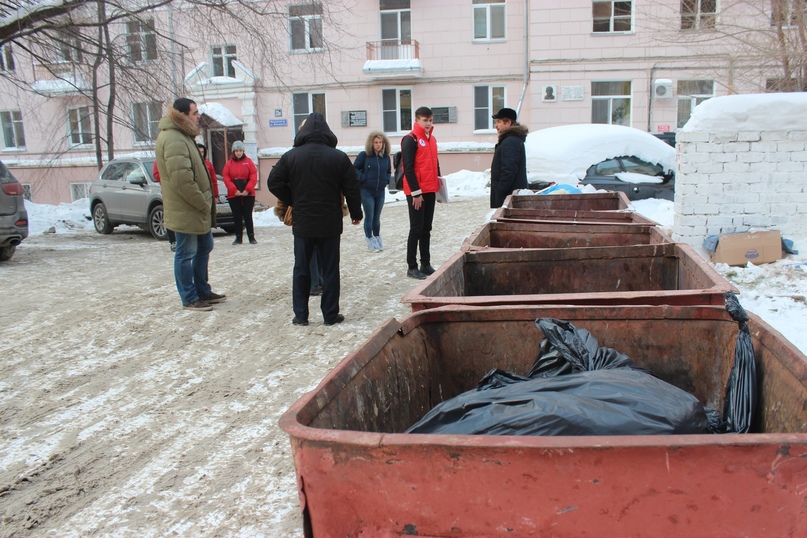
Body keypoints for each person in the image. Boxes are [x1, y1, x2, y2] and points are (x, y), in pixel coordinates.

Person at [267, 112, 363, 326]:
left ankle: (301, 315)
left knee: (301, 269)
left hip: (303, 222)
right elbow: (352, 188)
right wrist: (356, 214)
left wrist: (293, 199)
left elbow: (273, 182)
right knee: (330, 269)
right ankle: (330, 314)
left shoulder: (291, 156)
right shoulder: (338, 157)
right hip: (330, 222)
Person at [155, 97, 226, 311]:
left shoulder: (183, 136)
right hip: (186, 208)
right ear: (183, 115)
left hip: (194, 207)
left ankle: (203, 291)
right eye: (194, 113)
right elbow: (182, 180)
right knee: (185, 253)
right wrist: (202, 201)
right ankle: (189, 296)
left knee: (205, 246)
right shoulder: (174, 139)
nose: (198, 116)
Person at [401, 106, 441, 280]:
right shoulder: (410, 139)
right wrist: (416, 193)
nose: (428, 123)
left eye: (430, 120)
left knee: (427, 229)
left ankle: (425, 263)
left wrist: (439, 188)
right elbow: (407, 168)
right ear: (416, 121)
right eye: (425, 120)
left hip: (430, 190)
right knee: (416, 229)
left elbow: (435, 165)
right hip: (417, 192)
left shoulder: (432, 139)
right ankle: (412, 266)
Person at [353, 131, 392, 253]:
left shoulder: (385, 157)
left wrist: (387, 180)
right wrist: (363, 178)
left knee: (377, 217)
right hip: (367, 191)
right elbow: (354, 169)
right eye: (376, 142)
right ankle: (370, 239)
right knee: (369, 216)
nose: (378, 145)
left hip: (380, 191)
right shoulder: (364, 155)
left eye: (380, 142)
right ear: (371, 143)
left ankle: (377, 238)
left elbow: (389, 171)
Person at [489, 107, 529, 208]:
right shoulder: (511, 140)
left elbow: (508, 170)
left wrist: (500, 191)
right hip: (509, 194)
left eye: (499, 122)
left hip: (508, 196)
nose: (496, 126)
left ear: (508, 123)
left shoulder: (510, 142)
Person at [222, 140, 258, 245]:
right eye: (236, 150)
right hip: (234, 194)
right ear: (233, 151)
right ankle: (238, 237)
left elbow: (253, 177)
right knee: (236, 216)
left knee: (248, 215)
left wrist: (247, 190)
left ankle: (251, 237)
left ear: (243, 151)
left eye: (240, 150)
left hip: (248, 194)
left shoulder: (249, 162)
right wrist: (234, 190)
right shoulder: (229, 164)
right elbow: (226, 178)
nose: (238, 152)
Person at [151, 161, 177, 251]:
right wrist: (167, 180)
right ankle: (173, 241)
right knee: (170, 217)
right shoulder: (159, 160)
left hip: (180, 191)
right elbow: (156, 174)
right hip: (168, 192)